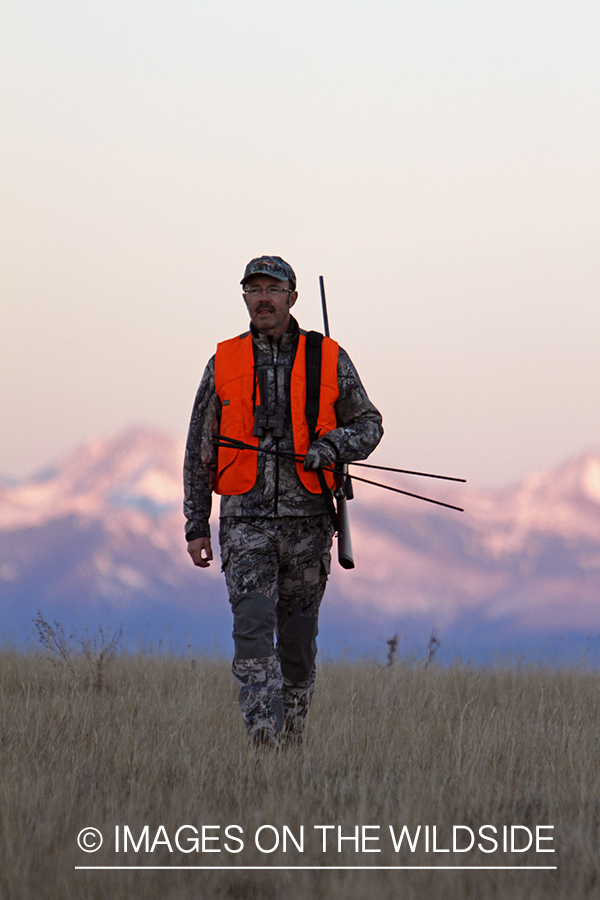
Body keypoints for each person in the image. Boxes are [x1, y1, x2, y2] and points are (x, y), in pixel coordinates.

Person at [184, 256, 383, 747]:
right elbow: (199, 448)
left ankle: (291, 740)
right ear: (245, 298)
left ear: (292, 297)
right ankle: (263, 734)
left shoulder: (328, 357)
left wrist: (330, 446)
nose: (263, 298)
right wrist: (196, 523)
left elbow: (369, 424)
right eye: (254, 290)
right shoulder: (223, 362)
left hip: (309, 524)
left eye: (273, 289)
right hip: (245, 523)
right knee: (252, 627)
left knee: (297, 641)